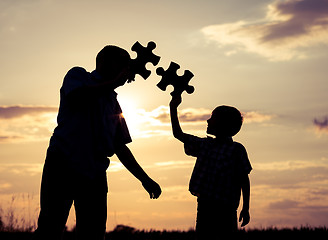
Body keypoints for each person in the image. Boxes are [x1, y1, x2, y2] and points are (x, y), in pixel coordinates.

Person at [33, 45, 161, 240]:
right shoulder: (78, 75)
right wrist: (115, 82)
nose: (125, 68)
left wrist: (144, 178)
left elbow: (119, 145)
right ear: (103, 61)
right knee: (49, 228)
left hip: (94, 175)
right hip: (62, 165)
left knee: (92, 235)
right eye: (121, 62)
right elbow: (77, 96)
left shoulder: (113, 103)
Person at [169, 95, 252, 240]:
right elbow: (178, 134)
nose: (208, 120)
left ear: (224, 124)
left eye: (213, 118)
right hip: (205, 205)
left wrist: (246, 208)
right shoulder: (205, 145)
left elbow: (243, 180)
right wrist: (173, 107)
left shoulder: (237, 150)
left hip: (226, 208)